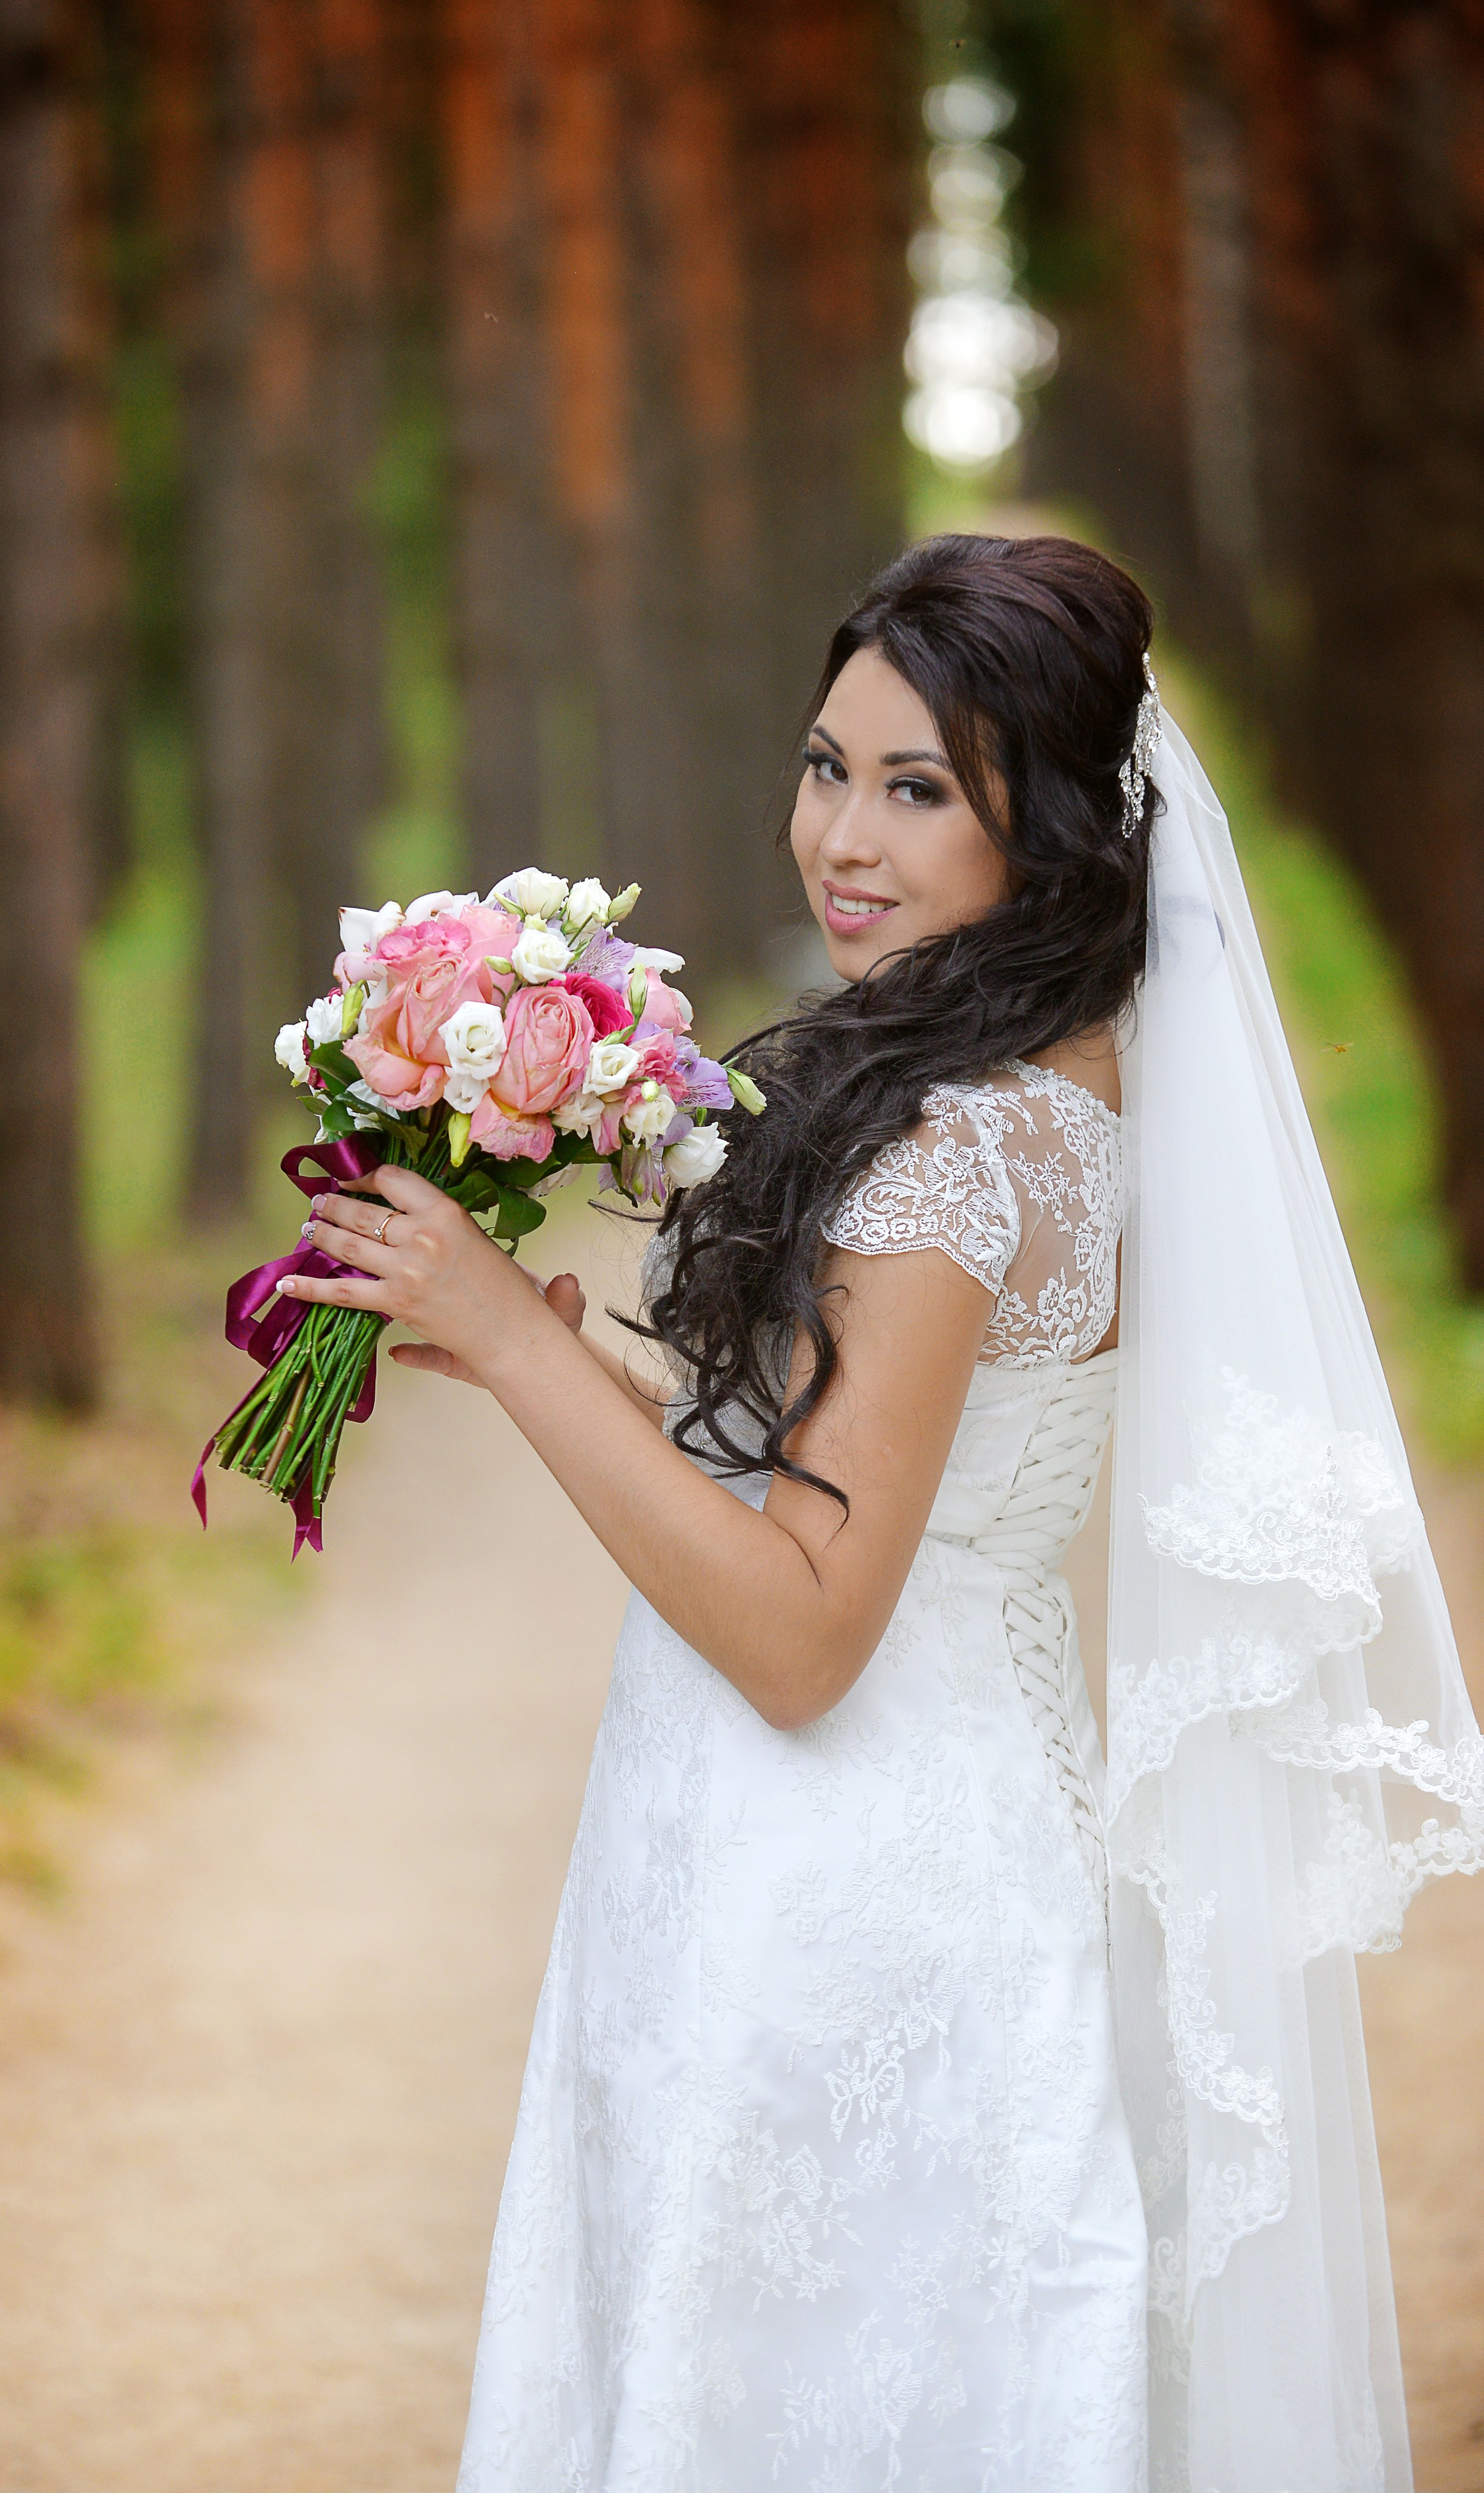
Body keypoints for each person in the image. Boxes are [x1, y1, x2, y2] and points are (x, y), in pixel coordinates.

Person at [278, 534, 1482, 2490]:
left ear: (1061, 825)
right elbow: (869, 1465)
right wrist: (590, 1370)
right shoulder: (1043, 1089)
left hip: (840, 1895)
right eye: (828, 764)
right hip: (902, 1838)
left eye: (920, 788)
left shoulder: (956, 1149)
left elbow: (805, 1627)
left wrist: (508, 1341)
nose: (839, 833)